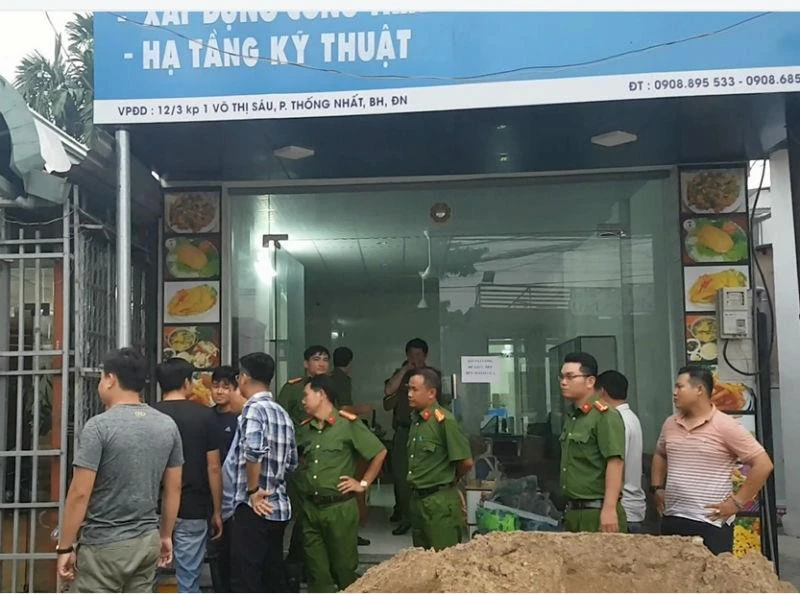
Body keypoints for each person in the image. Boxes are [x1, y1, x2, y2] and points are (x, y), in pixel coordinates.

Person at [55, 348, 183, 593]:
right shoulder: (167, 425)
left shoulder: (99, 427)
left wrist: (65, 546)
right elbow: (174, 487)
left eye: (102, 377)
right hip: (147, 540)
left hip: (104, 546)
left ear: (111, 379)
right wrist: (165, 535)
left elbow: (80, 493)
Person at [652, 365, 774, 554]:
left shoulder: (725, 425)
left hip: (710, 523)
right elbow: (660, 454)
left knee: (712, 573)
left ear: (699, 389)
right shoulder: (670, 423)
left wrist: (737, 502)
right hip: (673, 518)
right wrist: (657, 487)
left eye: (680, 387)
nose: (675, 393)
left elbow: (763, 464)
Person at [295, 375, 387, 592]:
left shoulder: (347, 424)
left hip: (339, 509)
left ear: (321, 394)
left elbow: (379, 452)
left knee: (344, 569)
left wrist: (363, 483)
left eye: (306, 395)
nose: (303, 401)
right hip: (310, 509)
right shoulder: (305, 429)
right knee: (317, 572)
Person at [222, 352, 298, 592]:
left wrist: (254, 490)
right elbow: (292, 462)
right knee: (272, 575)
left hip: (254, 508)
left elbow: (253, 451)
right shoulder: (281, 413)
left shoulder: (253, 410)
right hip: (278, 506)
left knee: (247, 577)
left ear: (244, 377)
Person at [152, 358, 223, 593]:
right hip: (193, 505)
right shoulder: (205, 416)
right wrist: (217, 510)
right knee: (189, 578)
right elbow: (213, 467)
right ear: (186, 382)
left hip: (152, 507)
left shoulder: (150, 415)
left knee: (146, 577)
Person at [277, 345, 331, 587]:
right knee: (302, 515)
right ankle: (294, 567)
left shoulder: (332, 388)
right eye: (316, 359)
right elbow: (281, 420)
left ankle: (315, 567)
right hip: (300, 459)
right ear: (306, 363)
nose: (321, 363)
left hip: (327, 458)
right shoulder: (293, 388)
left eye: (325, 359)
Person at [406, 367, 474, 550]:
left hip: (439, 502)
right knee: (421, 559)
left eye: (415, 389)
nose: (409, 394)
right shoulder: (417, 421)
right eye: (409, 389)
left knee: (442, 558)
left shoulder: (444, 421)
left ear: (431, 393)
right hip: (418, 501)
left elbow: (466, 462)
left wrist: (451, 479)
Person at [559, 352, 627, 533]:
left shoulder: (605, 415)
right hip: (574, 511)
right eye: (562, 377)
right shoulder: (574, 417)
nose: (563, 382)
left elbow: (615, 462)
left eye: (570, 377)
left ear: (590, 381)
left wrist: (609, 508)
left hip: (598, 511)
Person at [383, 338, 429, 535]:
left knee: (424, 476)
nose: (414, 358)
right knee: (401, 476)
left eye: (418, 355)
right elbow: (387, 393)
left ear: (425, 356)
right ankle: (405, 516)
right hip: (403, 431)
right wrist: (404, 371)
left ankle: (420, 516)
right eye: (411, 355)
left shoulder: (431, 376)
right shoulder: (400, 376)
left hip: (425, 430)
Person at [330, 346, 373, 547]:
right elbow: (344, 408)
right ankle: (350, 533)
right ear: (350, 363)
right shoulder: (342, 380)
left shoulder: (331, 377)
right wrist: (360, 410)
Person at [596, 370, 647, 533]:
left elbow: (616, 463)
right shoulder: (630, 417)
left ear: (602, 391)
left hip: (622, 510)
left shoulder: (617, 420)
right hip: (631, 507)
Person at [207, 365, 240, 593]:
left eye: (226, 387)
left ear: (235, 389)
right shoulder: (206, 417)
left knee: (235, 551)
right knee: (216, 550)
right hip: (212, 492)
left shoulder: (240, 419)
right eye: (216, 386)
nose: (219, 391)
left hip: (236, 495)